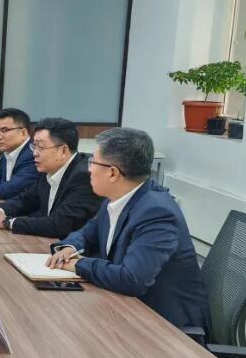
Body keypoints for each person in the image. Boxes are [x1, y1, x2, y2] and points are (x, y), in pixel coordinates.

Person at [47, 127, 209, 328]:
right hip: (127, 307)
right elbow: (88, 233)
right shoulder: (117, 197)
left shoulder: (157, 212)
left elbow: (132, 279)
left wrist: (79, 265)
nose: (89, 169)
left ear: (112, 173)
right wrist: (69, 248)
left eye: (93, 162)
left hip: (167, 326)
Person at [0, 118, 101, 239]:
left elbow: (59, 224)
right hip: (48, 241)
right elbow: (27, 199)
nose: (35, 153)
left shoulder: (85, 176)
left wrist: (7, 222)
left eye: (40, 147)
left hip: (69, 248)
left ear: (63, 151)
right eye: (34, 146)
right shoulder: (47, 167)